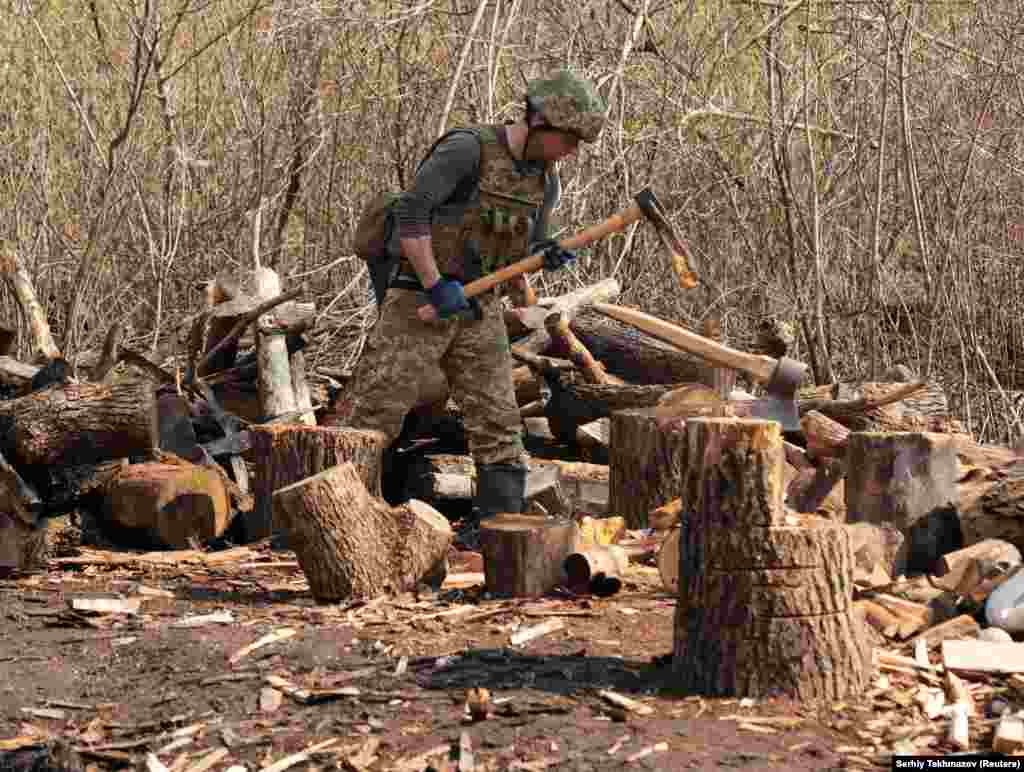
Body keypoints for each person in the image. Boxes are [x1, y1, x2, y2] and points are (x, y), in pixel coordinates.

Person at [327, 69, 606, 522]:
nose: (572, 151)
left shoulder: (545, 179)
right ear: (540, 121)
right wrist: (435, 283)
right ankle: (338, 519)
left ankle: (502, 533)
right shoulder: (467, 149)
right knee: (373, 414)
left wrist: (545, 252)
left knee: (499, 425)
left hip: (480, 308)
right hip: (418, 302)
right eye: (569, 139)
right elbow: (413, 212)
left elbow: (529, 244)